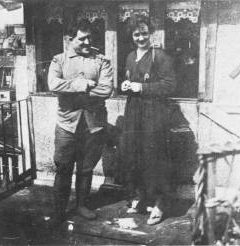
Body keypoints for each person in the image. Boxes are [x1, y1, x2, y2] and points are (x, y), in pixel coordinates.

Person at [47, 19, 113, 226]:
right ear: (69, 39)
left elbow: (106, 89)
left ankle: (82, 205)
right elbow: (53, 84)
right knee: (64, 168)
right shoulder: (59, 60)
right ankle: (59, 211)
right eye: (82, 38)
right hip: (67, 124)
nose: (87, 42)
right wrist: (79, 84)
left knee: (86, 169)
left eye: (89, 37)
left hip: (93, 125)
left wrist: (74, 90)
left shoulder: (101, 60)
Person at [120, 18, 176, 225]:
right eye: (136, 34)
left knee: (155, 158)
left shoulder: (160, 56)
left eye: (144, 33)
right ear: (132, 36)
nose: (141, 38)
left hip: (154, 115)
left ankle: (161, 204)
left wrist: (142, 88)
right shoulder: (130, 56)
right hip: (134, 113)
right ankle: (143, 198)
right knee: (136, 155)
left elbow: (170, 85)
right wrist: (125, 85)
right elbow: (130, 80)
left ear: (150, 34)